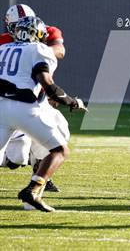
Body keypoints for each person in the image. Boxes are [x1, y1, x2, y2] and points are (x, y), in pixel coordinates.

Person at [0, 16, 86, 212]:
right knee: (59, 150)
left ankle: (32, 194)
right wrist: (72, 101)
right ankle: (33, 190)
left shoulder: (2, 49)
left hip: (1, 107)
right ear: (38, 35)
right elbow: (47, 84)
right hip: (25, 108)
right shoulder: (39, 49)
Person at [0, 4, 67, 193]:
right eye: (17, 26)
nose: (21, 29)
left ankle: (41, 178)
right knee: (16, 157)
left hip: (38, 97)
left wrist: (33, 47)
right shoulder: (4, 42)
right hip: (11, 99)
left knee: (60, 131)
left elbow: (59, 50)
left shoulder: (45, 33)